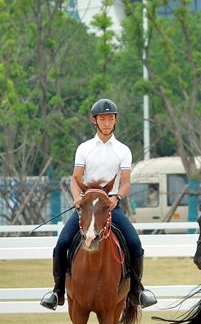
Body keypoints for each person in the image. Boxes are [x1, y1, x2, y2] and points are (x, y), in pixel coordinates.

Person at [40, 98, 157, 310]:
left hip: (110, 205)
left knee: (134, 243)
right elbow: (75, 179)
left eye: (110, 118)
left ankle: (137, 290)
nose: (107, 122)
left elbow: (126, 182)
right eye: (102, 119)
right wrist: (77, 197)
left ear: (115, 120)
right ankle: (57, 291)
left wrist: (116, 198)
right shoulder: (84, 148)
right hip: (86, 206)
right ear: (94, 120)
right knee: (62, 244)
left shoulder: (123, 150)